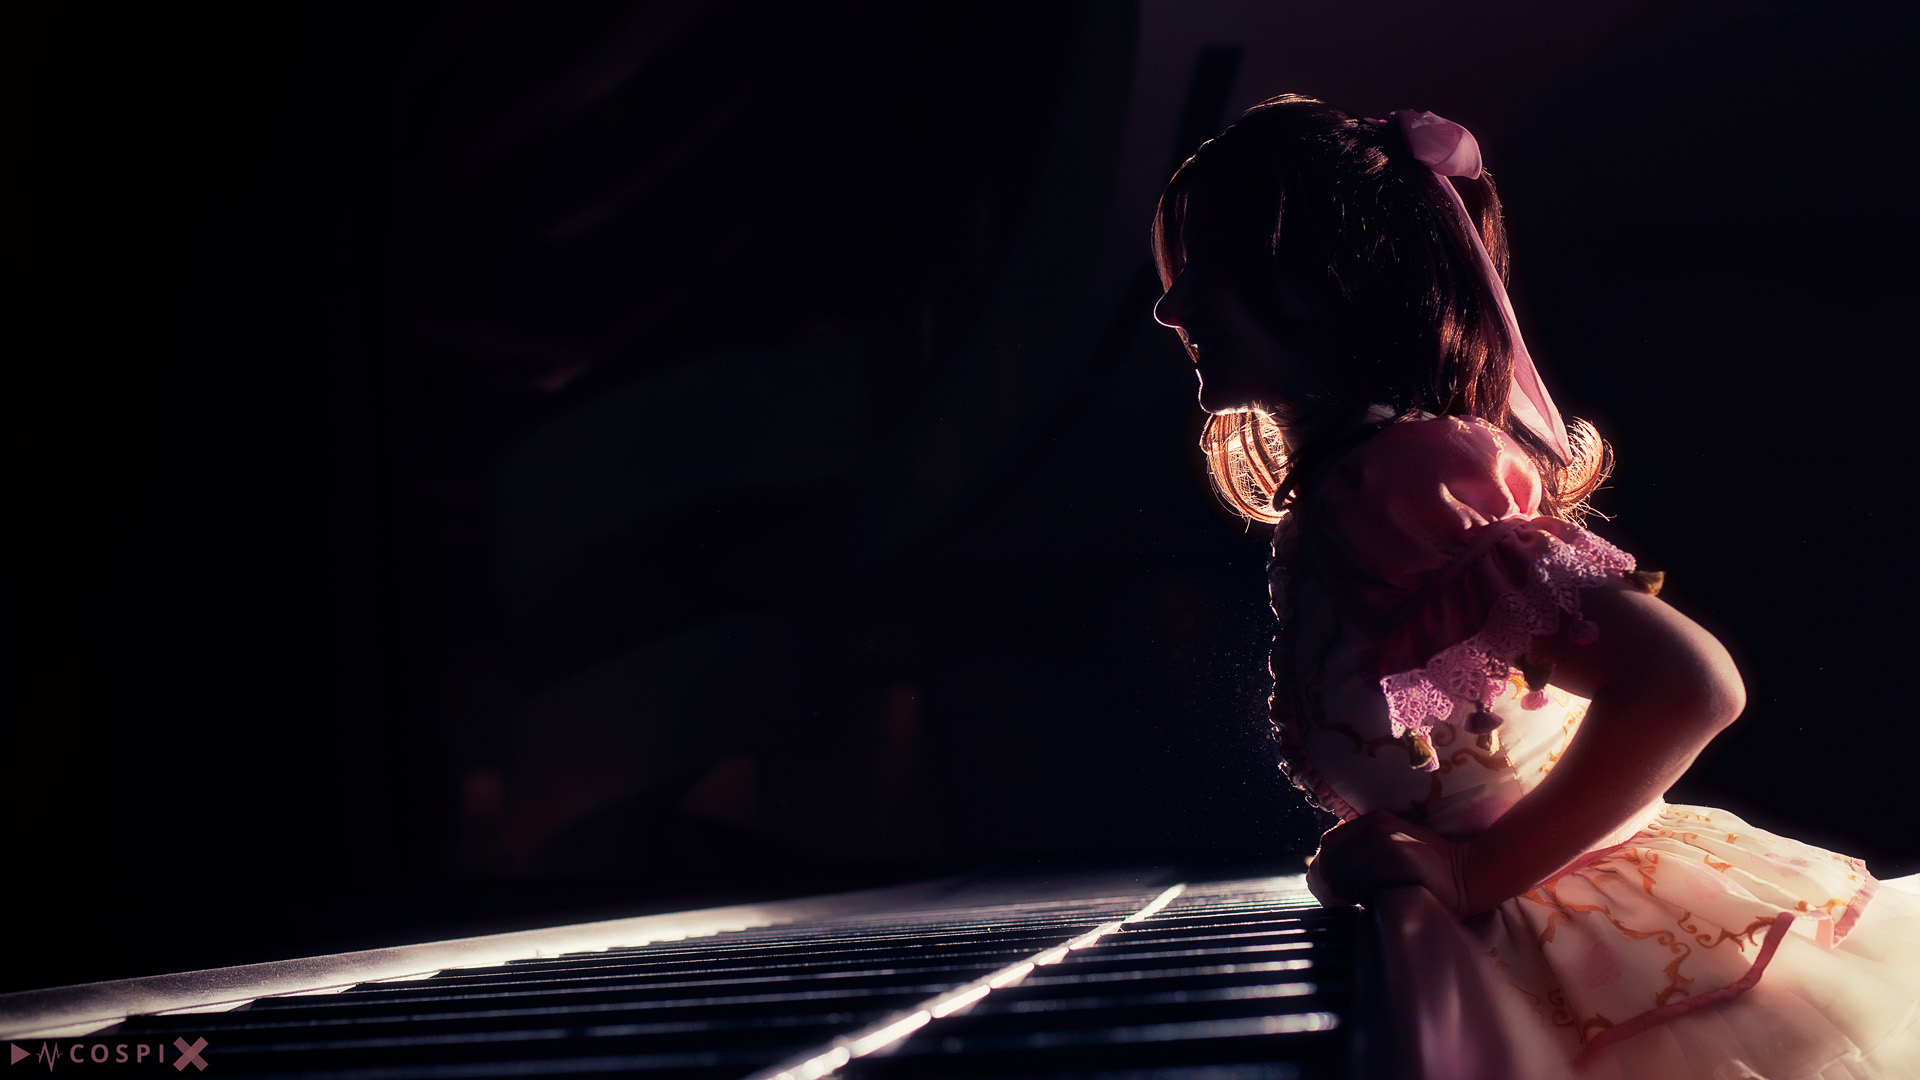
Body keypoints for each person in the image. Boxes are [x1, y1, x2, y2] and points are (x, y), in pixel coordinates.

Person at [1151, 94, 1920, 1078]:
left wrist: (1473, 873)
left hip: (1592, 951)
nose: (1171, 308)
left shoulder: (1402, 481)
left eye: (1204, 270)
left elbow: (1692, 684)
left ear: (1316, 280)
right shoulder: (1359, 487)